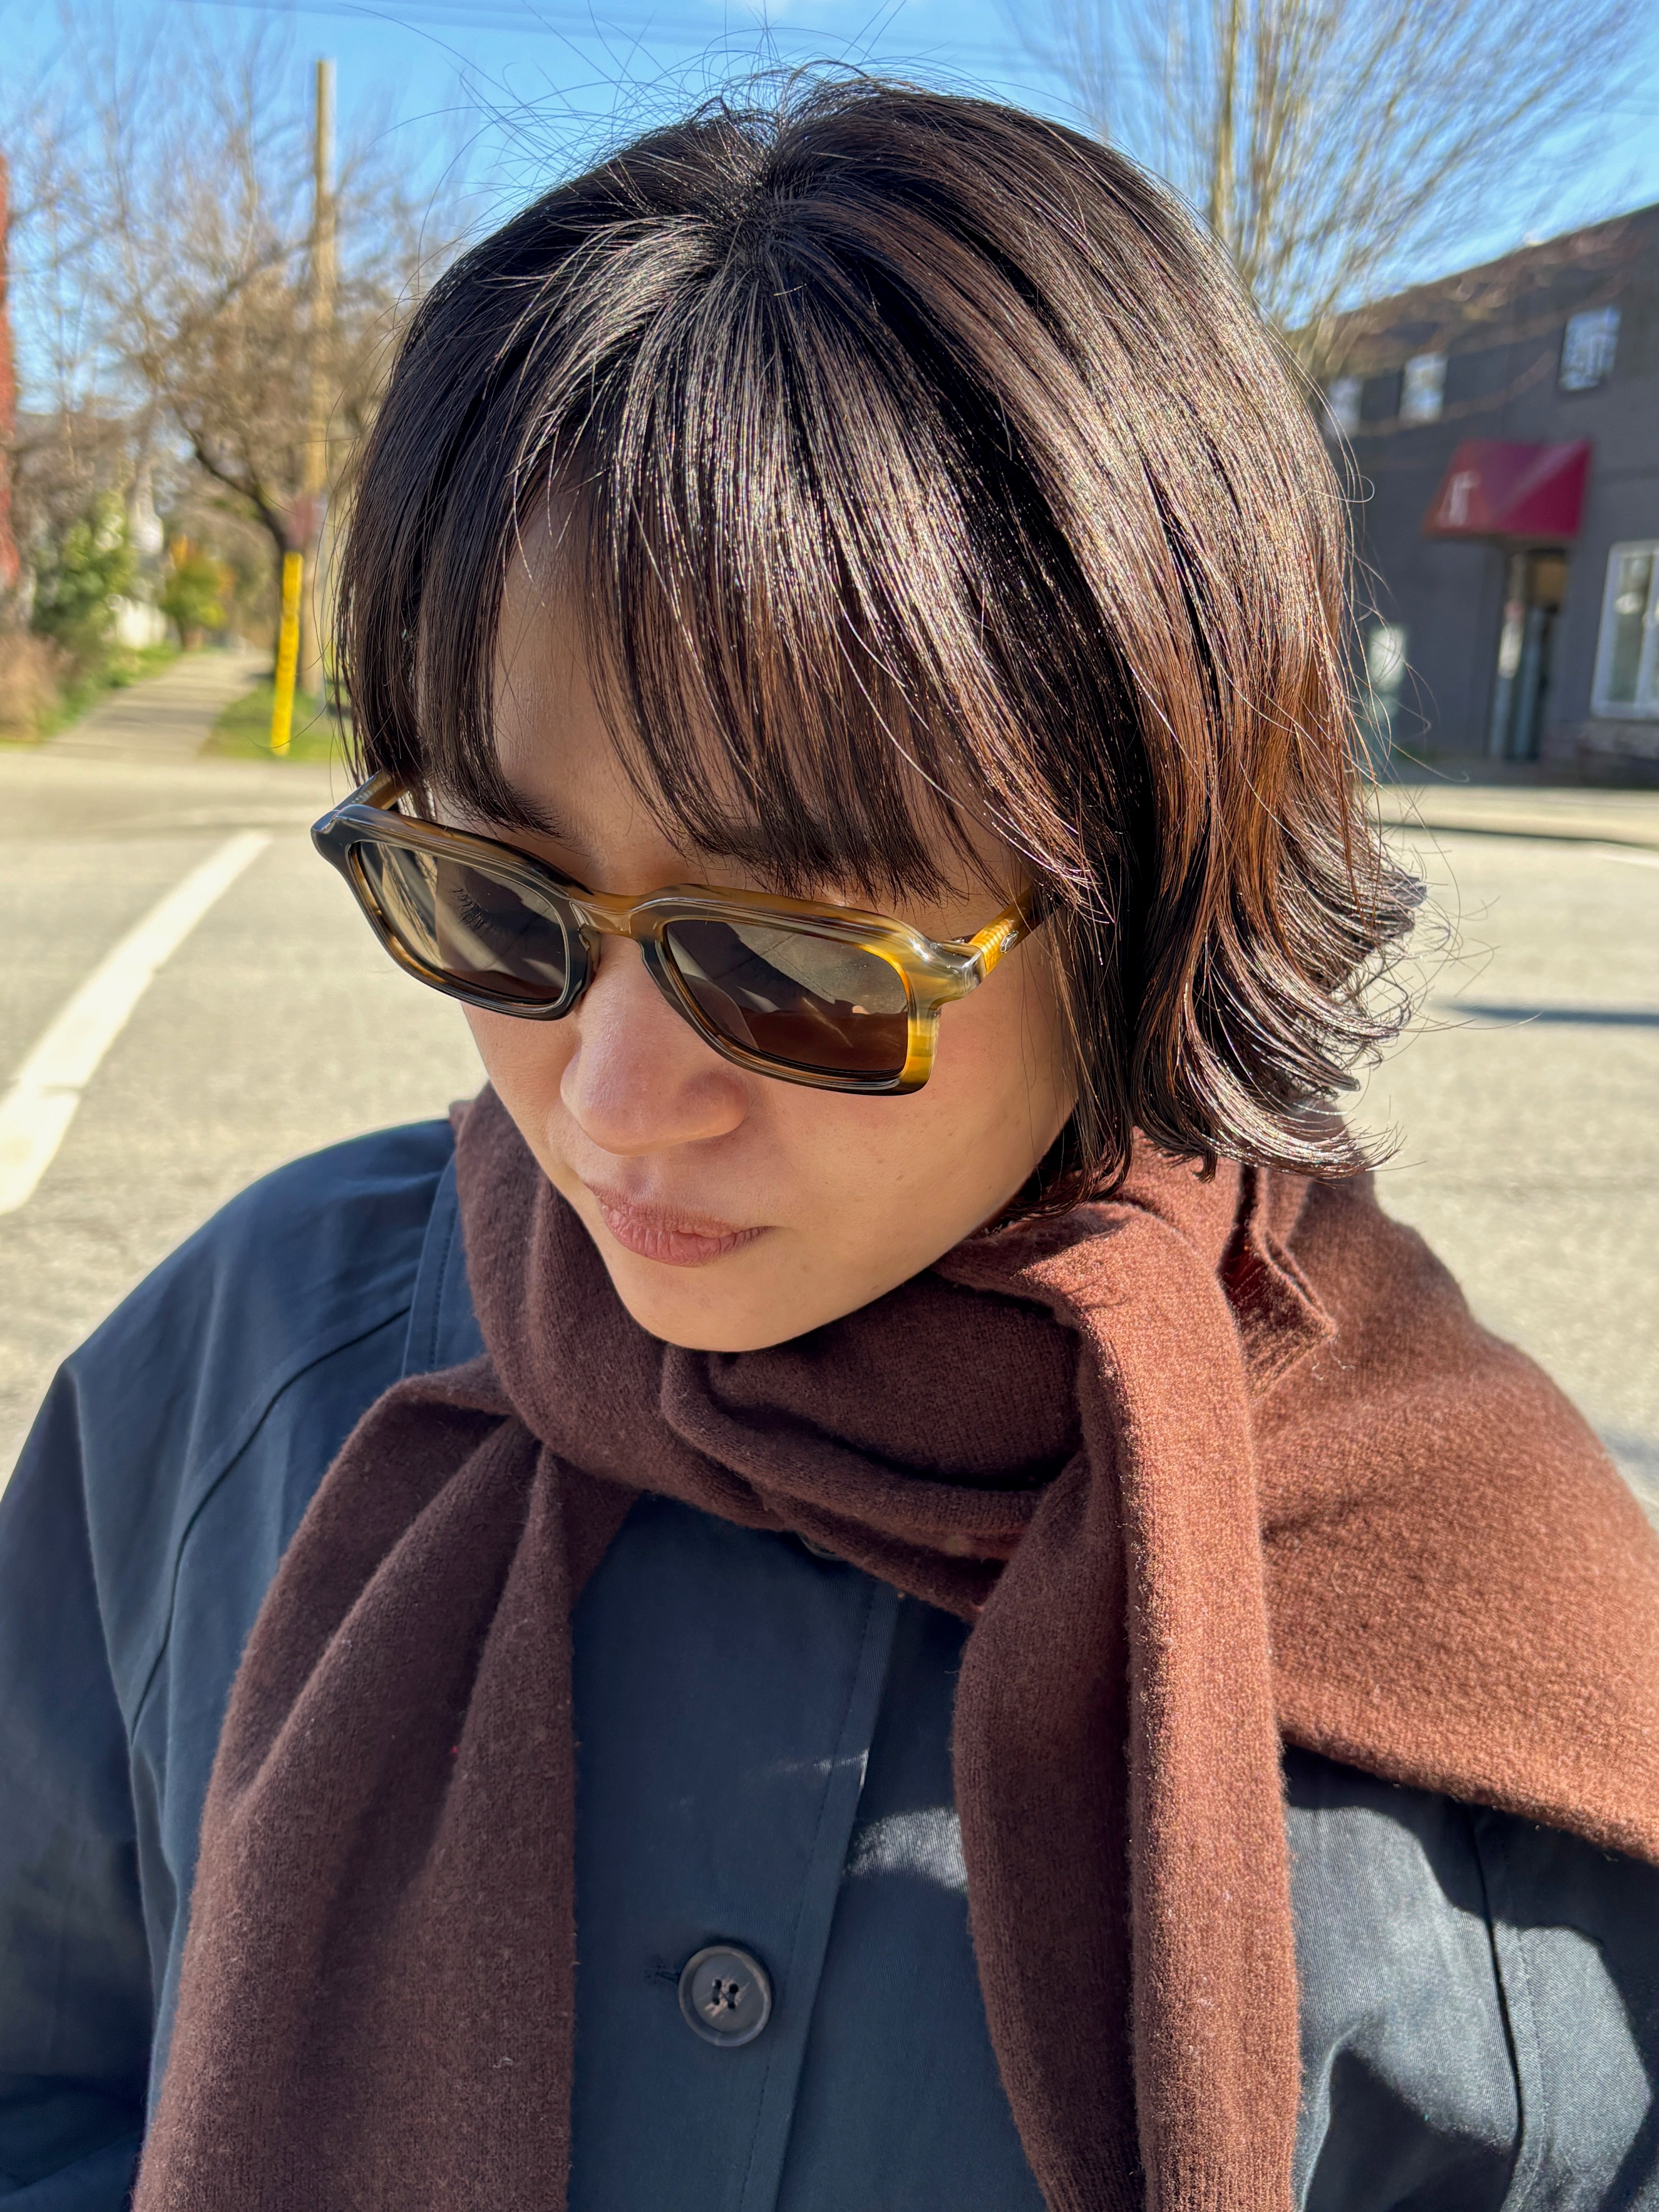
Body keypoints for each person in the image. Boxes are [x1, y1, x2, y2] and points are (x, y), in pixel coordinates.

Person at [3, 78, 1659, 2212]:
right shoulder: (234, 1379)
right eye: (493, 902)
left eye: (795, 963)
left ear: (1159, 895)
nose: (609, 1102)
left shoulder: (1504, 1668)